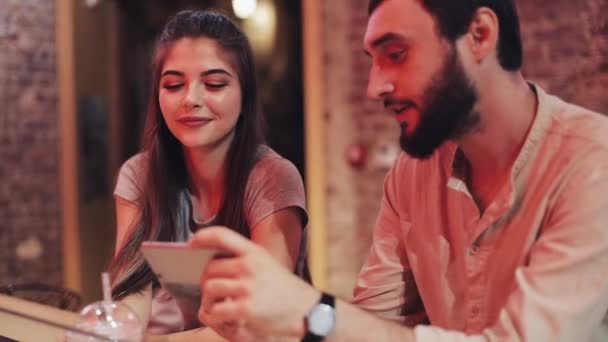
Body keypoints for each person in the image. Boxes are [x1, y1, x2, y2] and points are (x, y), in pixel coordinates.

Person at [191, 0, 608, 341]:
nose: (375, 87)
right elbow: (372, 323)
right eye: (373, 61)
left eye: (396, 55)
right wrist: (274, 325)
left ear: (480, 35)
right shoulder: (413, 174)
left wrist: (309, 312)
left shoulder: (592, 161)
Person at [107, 10, 308, 341]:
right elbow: (131, 293)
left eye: (214, 84)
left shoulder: (273, 177)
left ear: (245, 95)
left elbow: (260, 319)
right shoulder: (138, 174)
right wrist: (118, 331)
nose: (191, 99)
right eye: (174, 85)